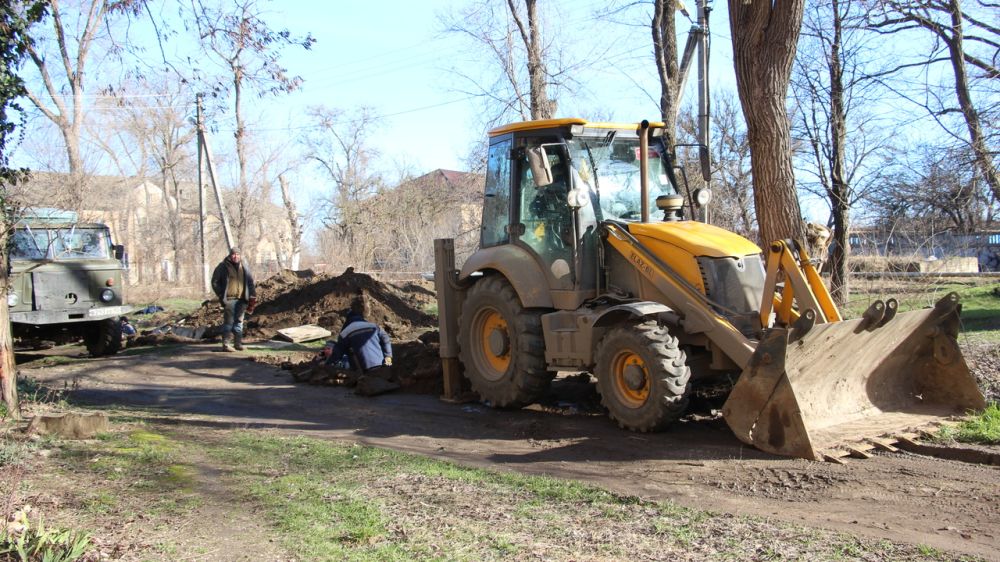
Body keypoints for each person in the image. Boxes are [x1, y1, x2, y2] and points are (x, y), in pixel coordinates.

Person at [326, 298, 392, 373]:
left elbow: (337, 353)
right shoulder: (374, 326)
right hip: (381, 365)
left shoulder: (345, 332)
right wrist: (388, 357)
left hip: (363, 369)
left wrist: (327, 365)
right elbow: (386, 339)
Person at [211, 247, 256, 352]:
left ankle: (238, 343)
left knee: (239, 322)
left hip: (242, 299)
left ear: (240, 255)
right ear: (230, 255)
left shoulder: (244, 266)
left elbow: (250, 282)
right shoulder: (223, 267)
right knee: (229, 322)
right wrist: (221, 294)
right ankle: (226, 344)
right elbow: (215, 282)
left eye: (237, 254)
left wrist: (252, 296)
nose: (236, 256)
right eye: (233, 254)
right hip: (229, 299)